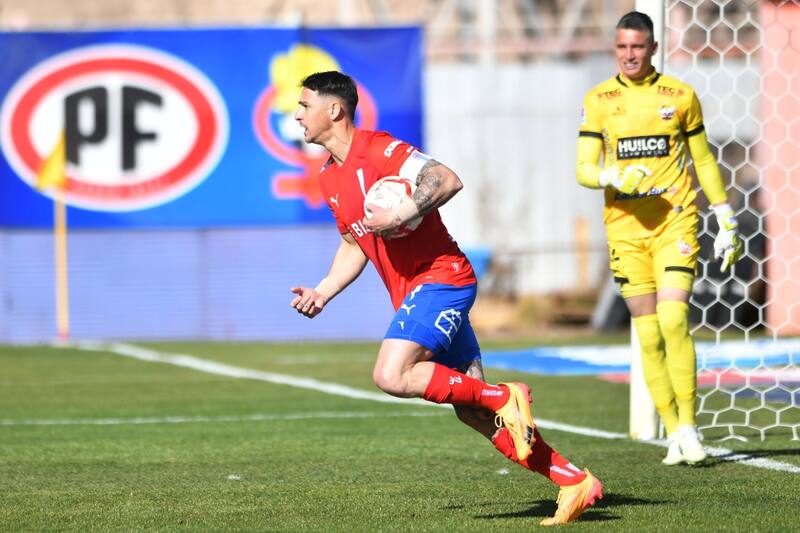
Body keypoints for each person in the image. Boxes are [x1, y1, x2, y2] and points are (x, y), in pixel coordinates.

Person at [290, 70, 602, 525]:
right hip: (415, 292)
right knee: (473, 413)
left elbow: (447, 179)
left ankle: (504, 394)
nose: (296, 115)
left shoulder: (381, 149)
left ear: (333, 110)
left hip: (442, 279)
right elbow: (354, 244)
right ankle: (574, 480)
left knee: (391, 374)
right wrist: (323, 291)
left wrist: (401, 211)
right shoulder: (329, 178)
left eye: (303, 105)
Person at [576, 11, 743, 465]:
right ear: (616, 50)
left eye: (637, 47)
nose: (629, 55)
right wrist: (612, 173)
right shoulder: (599, 100)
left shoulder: (680, 96)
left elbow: (704, 160)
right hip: (626, 232)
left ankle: (689, 427)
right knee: (648, 336)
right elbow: (583, 168)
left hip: (676, 221)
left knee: (674, 321)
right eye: (622, 47)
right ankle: (672, 430)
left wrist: (725, 212)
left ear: (652, 48)